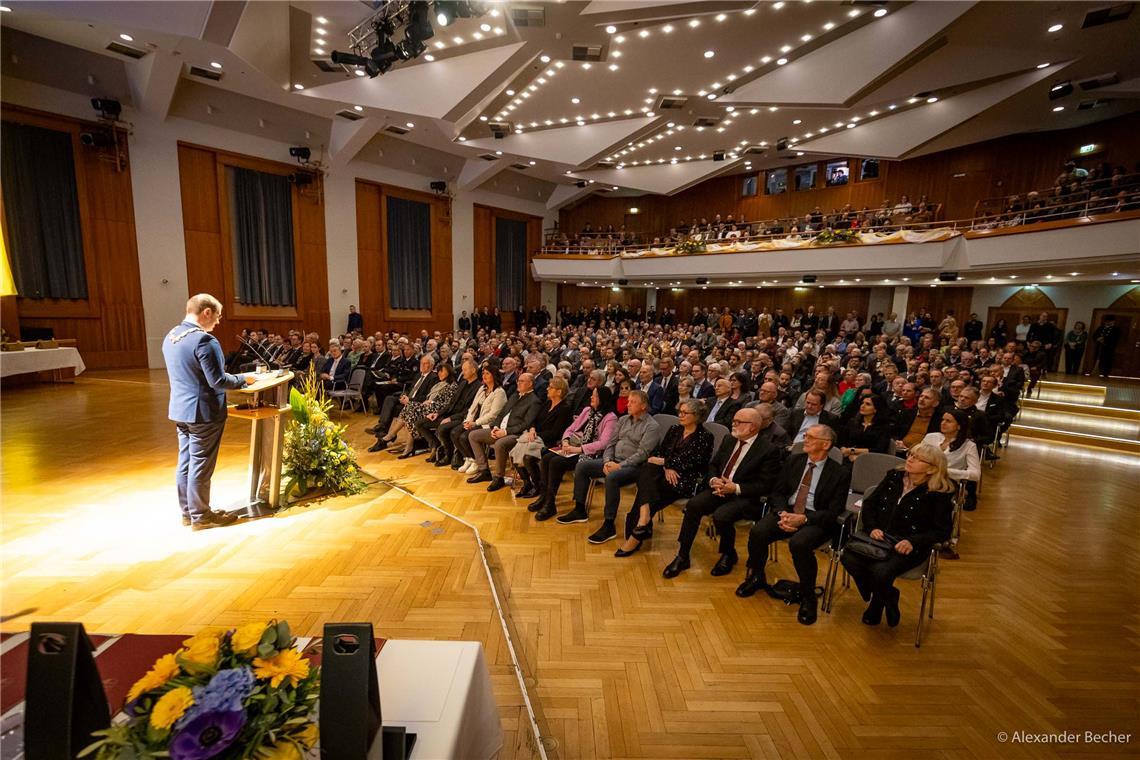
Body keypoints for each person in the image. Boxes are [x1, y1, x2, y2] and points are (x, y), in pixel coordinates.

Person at [735, 425, 852, 625]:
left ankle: (808, 596)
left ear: (826, 444)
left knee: (799, 544)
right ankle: (757, 576)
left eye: (811, 437)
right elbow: (778, 492)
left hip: (816, 517)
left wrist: (804, 519)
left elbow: (833, 511)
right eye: (805, 435)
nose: (804, 439)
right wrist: (782, 513)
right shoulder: (793, 460)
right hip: (787, 510)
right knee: (758, 532)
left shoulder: (840, 472)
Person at [162, 294, 256, 531]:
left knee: (185, 462)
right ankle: (201, 515)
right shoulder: (204, 341)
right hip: (203, 412)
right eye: (217, 315)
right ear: (206, 312)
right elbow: (218, 380)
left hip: (181, 410)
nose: (218, 321)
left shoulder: (171, 336)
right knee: (201, 464)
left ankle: (188, 513)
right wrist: (244, 379)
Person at [841, 443, 955, 628]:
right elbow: (869, 504)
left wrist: (913, 541)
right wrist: (872, 527)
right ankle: (889, 595)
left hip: (909, 545)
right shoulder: (894, 476)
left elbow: (942, 531)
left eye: (918, 458)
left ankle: (877, 604)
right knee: (848, 557)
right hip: (878, 537)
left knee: (880, 572)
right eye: (911, 455)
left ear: (932, 468)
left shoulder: (939, 493)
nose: (910, 459)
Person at [663, 407, 782, 579]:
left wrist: (736, 488)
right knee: (693, 505)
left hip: (746, 496)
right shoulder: (729, 439)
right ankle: (682, 555)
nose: (733, 424)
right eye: (734, 420)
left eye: (739, 422)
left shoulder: (768, 450)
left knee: (721, 516)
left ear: (753, 427)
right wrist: (713, 480)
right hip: (719, 488)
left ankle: (728, 554)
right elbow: (713, 465)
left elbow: (766, 484)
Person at [614, 398, 714, 557]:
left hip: (685, 479)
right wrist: (667, 466)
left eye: (684, 413)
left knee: (645, 493)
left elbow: (694, 462)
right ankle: (644, 519)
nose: (680, 415)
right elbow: (661, 452)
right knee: (647, 468)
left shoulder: (705, 436)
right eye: (679, 412)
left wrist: (667, 463)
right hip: (665, 473)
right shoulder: (675, 429)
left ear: (696, 415)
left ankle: (637, 532)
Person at [559, 390, 662, 543]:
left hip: (635, 466)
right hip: (613, 460)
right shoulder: (624, 420)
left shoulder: (652, 426)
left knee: (612, 478)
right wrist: (607, 460)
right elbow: (611, 443)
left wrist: (619, 466)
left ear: (643, 406)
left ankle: (609, 524)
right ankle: (580, 509)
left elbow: (642, 454)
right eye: (628, 401)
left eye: (632, 402)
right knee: (583, 466)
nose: (627, 404)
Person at [531, 386, 618, 522]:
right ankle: (544, 496)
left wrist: (578, 449)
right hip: (573, 446)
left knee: (556, 462)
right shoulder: (587, 410)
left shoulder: (610, 418)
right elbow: (571, 428)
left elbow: (603, 443)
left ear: (602, 399)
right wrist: (565, 441)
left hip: (590, 453)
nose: (591, 397)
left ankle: (550, 503)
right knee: (547, 456)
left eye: (594, 396)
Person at [466, 372, 542, 491]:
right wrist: (495, 427)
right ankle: (484, 470)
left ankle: (499, 478)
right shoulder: (514, 396)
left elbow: (526, 424)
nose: (518, 383)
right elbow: (501, 414)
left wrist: (505, 432)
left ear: (530, 384)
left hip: (516, 434)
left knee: (499, 444)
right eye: (518, 380)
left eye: (522, 381)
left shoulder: (534, 401)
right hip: (500, 429)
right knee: (473, 435)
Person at [517, 377, 574, 499]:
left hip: (551, 441)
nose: (547, 388)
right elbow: (534, 421)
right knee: (516, 451)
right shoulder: (547, 403)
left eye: (551, 387)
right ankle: (527, 483)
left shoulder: (565, 409)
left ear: (559, 392)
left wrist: (536, 435)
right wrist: (532, 429)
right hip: (535, 436)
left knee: (527, 457)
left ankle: (538, 486)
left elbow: (556, 433)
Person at [388, 363, 458, 458]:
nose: (439, 373)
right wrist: (428, 401)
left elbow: (448, 404)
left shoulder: (452, 386)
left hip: (438, 409)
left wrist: (431, 402)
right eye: (439, 371)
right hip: (430, 406)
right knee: (409, 409)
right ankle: (406, 443)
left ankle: (396, 437)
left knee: (410, 407)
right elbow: (430, 397)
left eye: (442, 371)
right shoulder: (438, 384)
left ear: (449, 371)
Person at [922, 409, 980, 511]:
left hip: (947, 481)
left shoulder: (969, 446)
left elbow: (975, 475)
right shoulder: (931, 437)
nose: (943, 423)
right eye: (942, 420)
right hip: (923, 476)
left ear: (959, 426)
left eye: (948, 421)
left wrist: (944, 471)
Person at [455, 365, 508, 474]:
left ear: (494, 375)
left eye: (487, 373)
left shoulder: (499, 392)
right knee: (455, 433)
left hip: (488, 424)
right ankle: (469, 458)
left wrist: (474, 423)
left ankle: (477, 462)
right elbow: (473, 407)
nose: (484, 376)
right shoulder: (482, 388)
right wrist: (468, 421)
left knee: (464, 436)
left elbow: (493, 415)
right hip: (475, 421)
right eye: (483, 373)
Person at [838, 394, 892, 463]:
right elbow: (842, 441)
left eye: (868, 404)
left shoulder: (883, 427)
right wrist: (845, 451)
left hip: (871, 460)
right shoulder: (852, 422)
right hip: (848, 457)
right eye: (862, 403)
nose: (862, 406)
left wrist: (853, 451)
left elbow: (880, 449)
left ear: (876, 409)